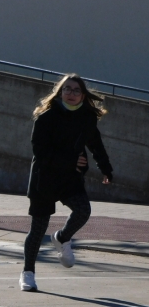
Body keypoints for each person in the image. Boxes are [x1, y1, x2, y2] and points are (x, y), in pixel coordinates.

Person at [20, 73, 114, 291]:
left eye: (76, 90)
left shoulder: (87, 118)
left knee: (83, 210)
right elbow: (40, 151)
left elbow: (96, 145)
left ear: (83, 95)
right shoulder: (46, 117)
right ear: (60, 92)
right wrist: (71, 160)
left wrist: (106, 168)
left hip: (70, 178)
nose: (71, 93)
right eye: (67, 89)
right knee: (37, 229)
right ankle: (28, 274)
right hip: (44, 178)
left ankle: (62, 238)